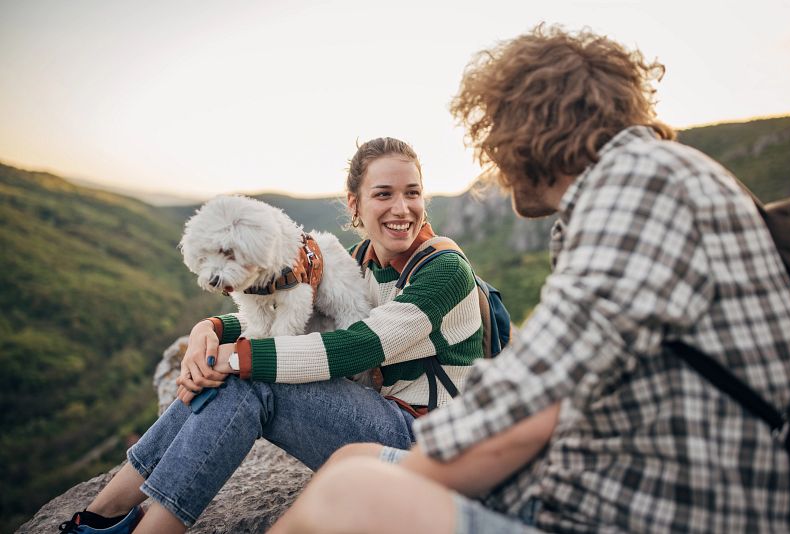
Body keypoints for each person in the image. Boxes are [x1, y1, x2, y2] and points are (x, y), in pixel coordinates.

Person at [268, 24, 790, 533]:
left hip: (645, 510)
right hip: (611, 471)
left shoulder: (640, 186)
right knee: (352, 460)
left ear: (528, 129)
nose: (492, 156)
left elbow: (537, 387)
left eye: (494, 132)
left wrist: (399, 481)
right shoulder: (645, 178)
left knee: (350, 491)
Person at [58, 137, 486, 533]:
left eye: (412, 192)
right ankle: (103, 514)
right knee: (238, 368)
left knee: (251, 377)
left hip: (423, 444)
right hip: (374, 419)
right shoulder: (361, 261)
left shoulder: (444, 270)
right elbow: (283, 310)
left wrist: (235, 359)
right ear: (355, 205)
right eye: (384, 194)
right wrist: (210, 329)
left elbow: (359, 347)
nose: (402, 207)